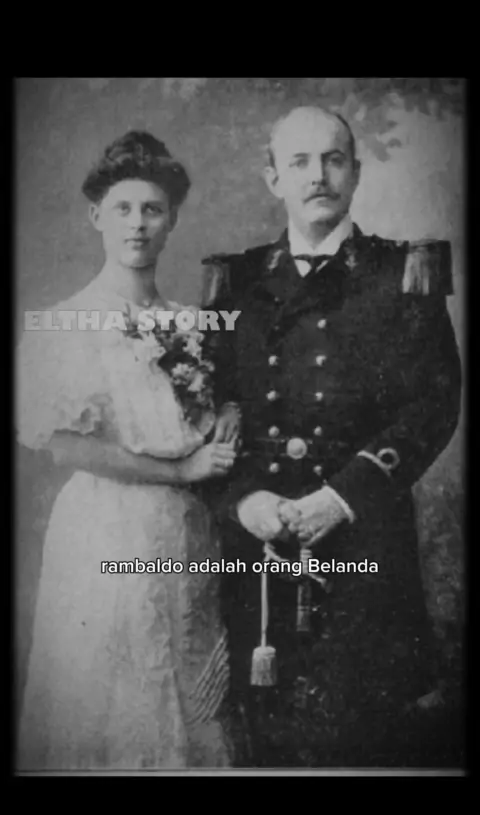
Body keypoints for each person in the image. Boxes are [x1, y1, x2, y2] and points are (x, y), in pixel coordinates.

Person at [201, 106, 462, 767]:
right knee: (265, 742)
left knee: (366, 739)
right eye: (299, 162)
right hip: (259, 546)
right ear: (273, 178)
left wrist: (341, 498)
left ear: (356, 172)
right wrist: (242, 499)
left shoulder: (402, 273)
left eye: (333, 159)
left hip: (363, 541)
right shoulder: (236, 282)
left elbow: (433, 405)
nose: (318, 175)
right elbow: (209, 409)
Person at [15, 130, 241, 770]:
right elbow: (66, 448)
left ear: (172, 221)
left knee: (187, 690)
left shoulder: (193, 323)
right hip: (106, 529)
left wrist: (230, 411)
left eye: (152, 209)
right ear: (96, 217)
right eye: (122, 209)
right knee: (114, 696)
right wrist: (182, 467)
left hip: (186, 531)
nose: (137, 224)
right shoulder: (65, 324)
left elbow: (208, 410)